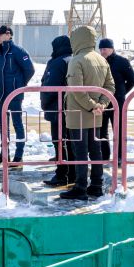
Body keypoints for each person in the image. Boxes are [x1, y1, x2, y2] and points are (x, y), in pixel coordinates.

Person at [60, 26, 116, 201]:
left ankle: (80, 187)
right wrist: (101, 105)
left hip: (78, 114)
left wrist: (92, 106)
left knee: (80, 152)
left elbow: (76, 89)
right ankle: (97, 185)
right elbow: (110, 86)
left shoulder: (76, 60)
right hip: (96, 114)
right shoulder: (101, 60)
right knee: (95, 150)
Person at [0, 25, 35, 164]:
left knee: (17, 123)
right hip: (1, 94)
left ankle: (19, 154)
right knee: (3, 125)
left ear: (8, 35)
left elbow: (30, 70)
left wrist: (19, 85)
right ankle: (4, 153)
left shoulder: (18, 51)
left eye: (0, 34)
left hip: (15, 95)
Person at [41, 35, 75, 186]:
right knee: (71, 142)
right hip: (72, 108)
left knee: (59, 142)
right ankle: (73, 174)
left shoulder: (57, 62)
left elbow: (50, 86)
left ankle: (62, 174)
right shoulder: (73, 59)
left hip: (57, 109)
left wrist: (45, 103)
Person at [97, 38, 134, 162]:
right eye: (101, 49)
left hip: (117, 102)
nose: (102, 51)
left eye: (105, 49)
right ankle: (104, 156)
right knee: (101, 130)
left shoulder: (122, 62)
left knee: (118, 130)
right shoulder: (98, 62)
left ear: (112, 49)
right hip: (102, 102)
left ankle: (119, 157)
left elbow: (132, 80)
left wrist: (122, 92)